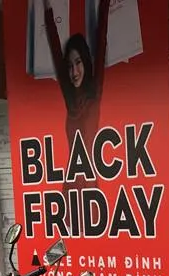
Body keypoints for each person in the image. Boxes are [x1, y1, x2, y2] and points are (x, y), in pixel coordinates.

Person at [44, 0, 111, 228]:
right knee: (70, 236)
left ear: (86, 61)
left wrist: (104, 4)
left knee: (93, 233)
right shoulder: (69, 98)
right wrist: (47, 9)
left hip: (90, 184)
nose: (74, 71)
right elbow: (55, 50)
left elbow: (101, 39)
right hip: (70, 185)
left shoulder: (95, 91)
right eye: (70, 65)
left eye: (78, 62)